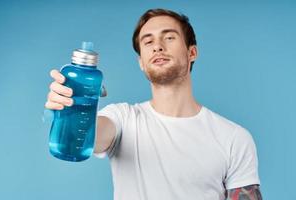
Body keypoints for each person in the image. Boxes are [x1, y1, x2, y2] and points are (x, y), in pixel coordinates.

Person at [45, 8, 262, 200]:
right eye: (148, 41)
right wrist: (69, 108)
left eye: (169, 38)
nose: (157, 46)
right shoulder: (123, 118)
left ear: (192, 53)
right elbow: (85, 138)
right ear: (141, 62)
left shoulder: (234, 138)